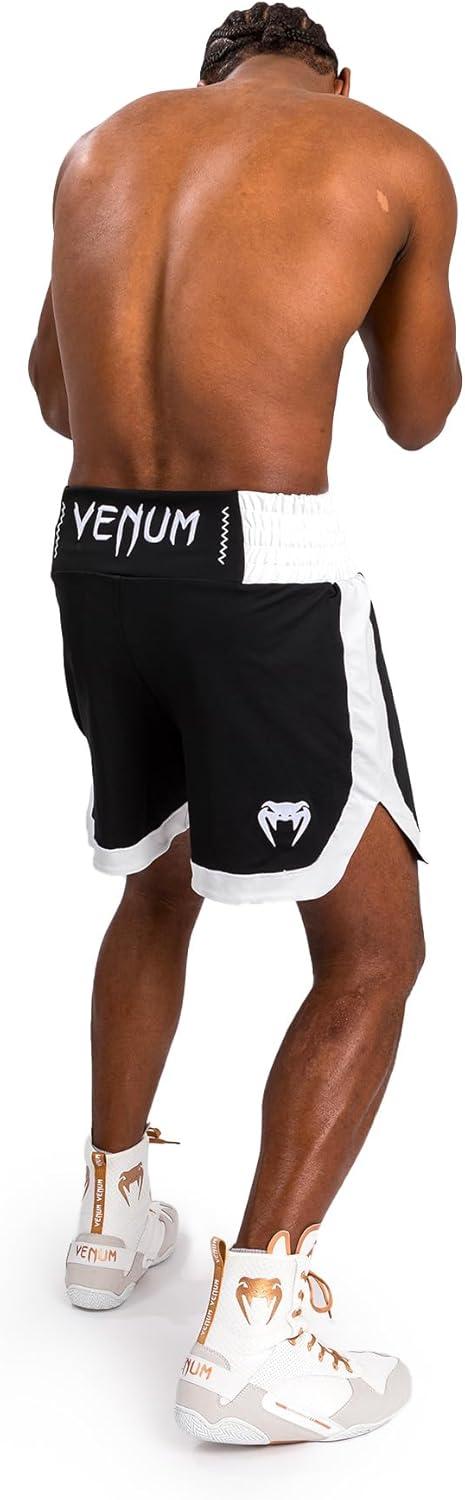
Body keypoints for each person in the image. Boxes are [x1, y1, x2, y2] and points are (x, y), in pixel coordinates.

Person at [29, 2, 460, 1446]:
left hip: (96, 551)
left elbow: (53, 394)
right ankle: (256, 1337)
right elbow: (417, 416)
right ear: (332, 76)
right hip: (258, 569)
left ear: (208, 74)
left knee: (158, 883)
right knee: (375, 949)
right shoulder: (384, 149)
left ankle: (110, 1224)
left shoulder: (102, 146)